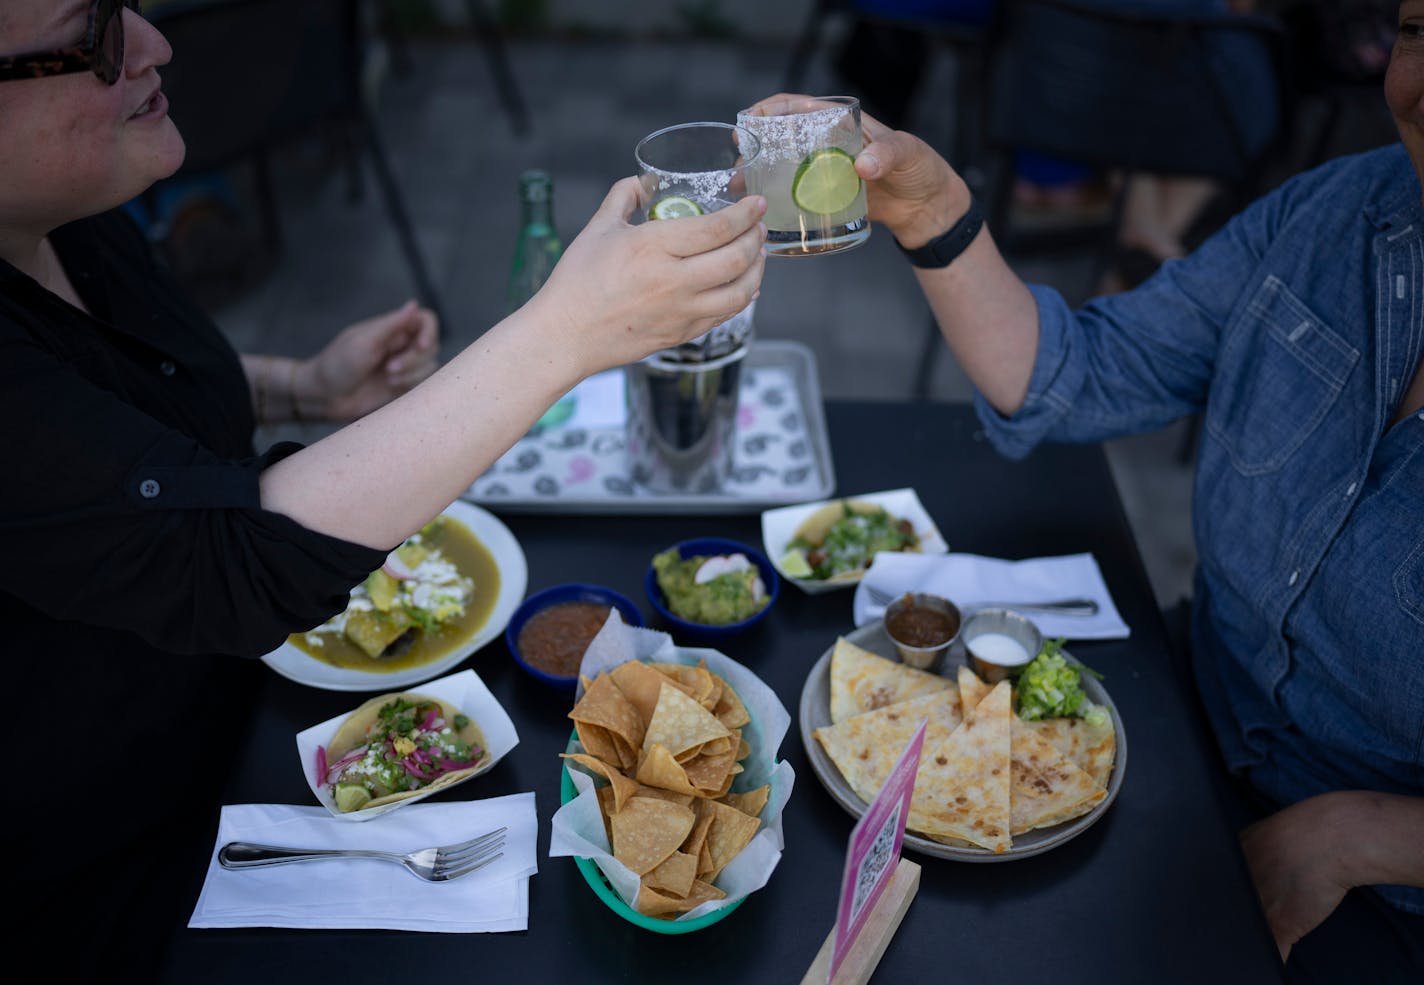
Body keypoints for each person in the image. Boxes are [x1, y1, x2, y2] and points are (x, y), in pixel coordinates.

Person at [0, 2, 766, 978]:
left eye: (130, 6)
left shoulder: (65, 214)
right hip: (117, 878)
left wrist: (295, 386)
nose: (154, 44)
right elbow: (221, 556)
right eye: (91, 36)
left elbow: (104, 407)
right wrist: (566, 332)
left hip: (259, 732)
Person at [759, 0, 1423, 979]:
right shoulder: (1334, 215)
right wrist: (928, 204)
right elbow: (1071, 373)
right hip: (1176, 717)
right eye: (1415, 29)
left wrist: (1357, 836)